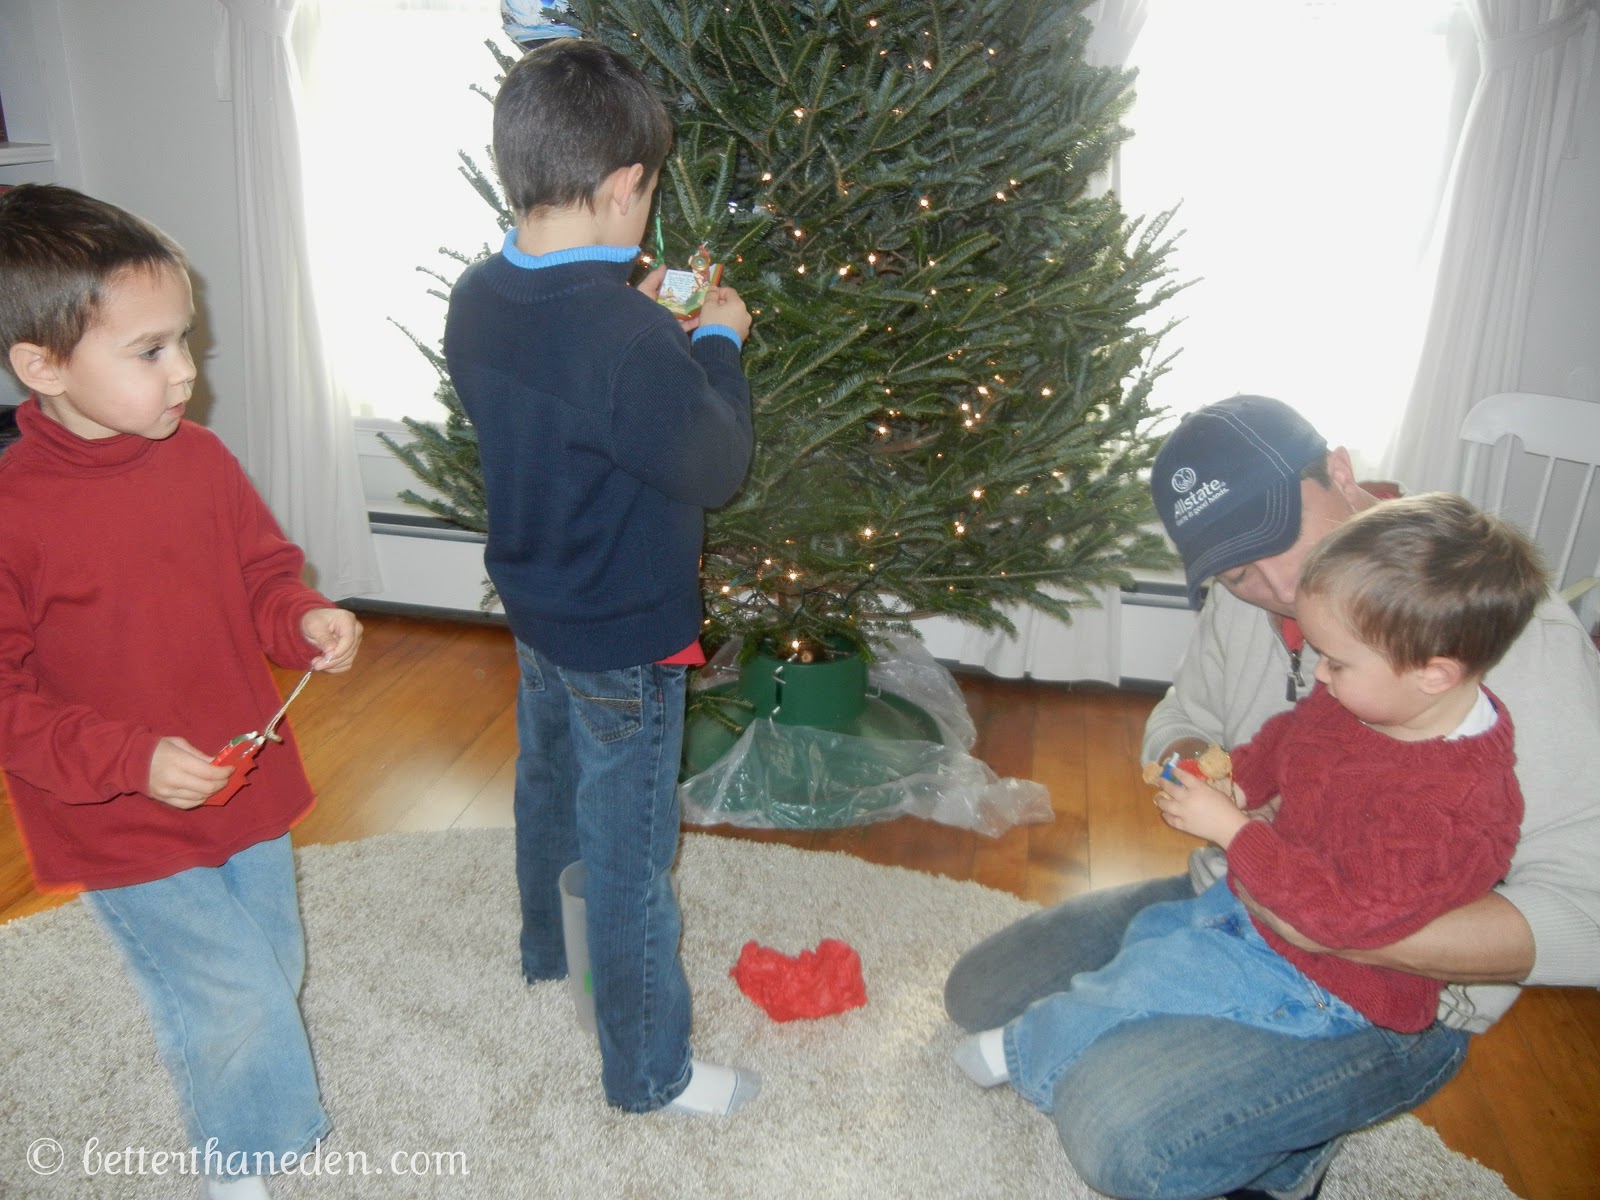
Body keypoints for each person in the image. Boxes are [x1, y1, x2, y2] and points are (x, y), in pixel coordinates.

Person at [944, 394, 1600, 1200]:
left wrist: (1342, 928)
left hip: (1390, 990)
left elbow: (1589, 914)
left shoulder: (1497, 632)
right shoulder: (1244, 601)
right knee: (979, 994)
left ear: (1341, 472)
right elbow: (1183, 716)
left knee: (1117, 1131)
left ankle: (1292, 1150)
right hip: (1240, 897)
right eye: (1237, 571)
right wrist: (1195, 770)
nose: (1280, 587)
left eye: (1279, 538)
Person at [0, 184, 363, 1199]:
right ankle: (243, 1167)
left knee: (272, 963)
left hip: (243, 777)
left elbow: (261, 576)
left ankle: (253, 1117)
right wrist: (130, 760)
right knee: (229, 993)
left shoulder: (199, 459)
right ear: (42, 366)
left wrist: (302, 618)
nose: (188, 371)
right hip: (115, 812)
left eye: (185, 340)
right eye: (150, 351)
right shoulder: (13, 514)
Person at [954, 492, 1540, 1116]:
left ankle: (1023, 1055)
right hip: (1260, 902)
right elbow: (1293, 737)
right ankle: (1118, 1044)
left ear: (1435, 674)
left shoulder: (1450, 809)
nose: (1320, 676)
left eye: (1338, 663)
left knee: (1158, 978)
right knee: (1154, 937)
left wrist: (1235, 831)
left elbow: (1341, 919)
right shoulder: (1374, 697)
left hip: (1331, 979)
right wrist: (1241, 782)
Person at [442, 39, 758, 1117]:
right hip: (625, 631)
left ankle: (546, 951)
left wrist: (649, 332)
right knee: (630, 859)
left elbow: (563, 378)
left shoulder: (481, 295)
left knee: (547, 784)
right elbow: (715, 463)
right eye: (649, 191)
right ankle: (650, 1072)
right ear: (627, 185)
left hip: (536, 606)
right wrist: (715, 346)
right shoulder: (628, 334)